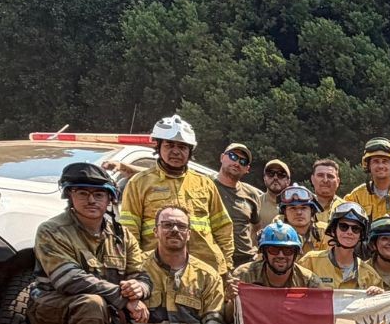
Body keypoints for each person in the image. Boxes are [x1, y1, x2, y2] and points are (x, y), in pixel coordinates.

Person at [28, 162, 151, 324]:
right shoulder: (52, 230)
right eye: (82, 193)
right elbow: (68, 279)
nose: (91, 200)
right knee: (91, 303)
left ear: (109, 199)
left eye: (99, 194)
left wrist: (140, 288)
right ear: (69, 196)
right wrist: (122, 299)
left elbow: (141, 272)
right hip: (53, 310)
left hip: (106, 317)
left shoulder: (121, 234)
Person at [129, 205, 241, 324]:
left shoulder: (207, 275)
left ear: (188, 234)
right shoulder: (136, 267)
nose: (174, 230)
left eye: (181, 226)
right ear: (156, 231)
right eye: (167, 225)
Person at [119, 114, 235, 275]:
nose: (176, 151)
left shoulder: (205, 183)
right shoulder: (139, 183)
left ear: (190, 151)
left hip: (205, 271)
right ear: (158, 147)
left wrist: (226, 266)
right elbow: (128, 230)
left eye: (182, 147)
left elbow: (223, 227)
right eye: (169, 145)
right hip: (156, 271)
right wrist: (135, 269)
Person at [221, 222, 324, 324]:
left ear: (295, 254)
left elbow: (323, 320)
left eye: (287, 251)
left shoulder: (309, 282)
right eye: (274, 250)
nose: (281, 255)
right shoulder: (244, 275)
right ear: (263, 252)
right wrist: (232, 300)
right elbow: (227, 318)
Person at [299, 202, 384, 291]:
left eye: (355, 229)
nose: (349, 232)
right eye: (343, 226)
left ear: (361, 235)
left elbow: (383, 304)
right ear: (333, 230)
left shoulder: (370, 276)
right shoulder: (310, 261)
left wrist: (378, 294)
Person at [214, 142, 261, 268]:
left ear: (247, 169)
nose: (237, 163)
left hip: (245, 261)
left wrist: (256, 250)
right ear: (222, 157)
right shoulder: (206, 186)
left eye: (243, 161)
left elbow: (256, 227)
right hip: (215, 259)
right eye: (233, 156)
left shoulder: (252, 194)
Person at [346, 138, 390, 221]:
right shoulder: (356, 196)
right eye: (376, 161)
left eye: (385, 161)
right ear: (368, 166)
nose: (381, 166)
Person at [278, 184, 326, 255]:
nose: (299, 212)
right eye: (292, 208)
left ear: (312, 211)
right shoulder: (277, 234)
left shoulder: (325, 232)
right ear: (285, 212)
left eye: (304, 208)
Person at [255, 159, 291, 234]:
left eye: (281, 174)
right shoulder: (255, 204)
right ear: (264, 178)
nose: (275, 178)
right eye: (270, 173)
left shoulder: (297, 205)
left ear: (288, 181)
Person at [310, 158, 345, 226]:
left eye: (330, 176)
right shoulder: (302, 207)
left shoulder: (346, 209)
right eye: (320, 175)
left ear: (338, 181)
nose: (325, 180)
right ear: (312, 179)